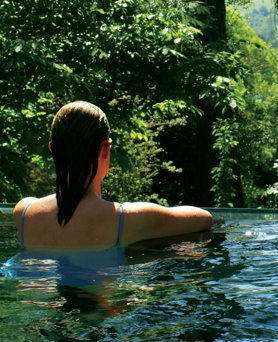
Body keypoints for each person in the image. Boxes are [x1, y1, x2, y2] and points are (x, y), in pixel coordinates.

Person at [13, 101, 212, 250]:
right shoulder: (126, 220)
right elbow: (204, 218)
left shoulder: (23, 212)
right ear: (105, 149)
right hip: (99, 305)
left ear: (52, 150)